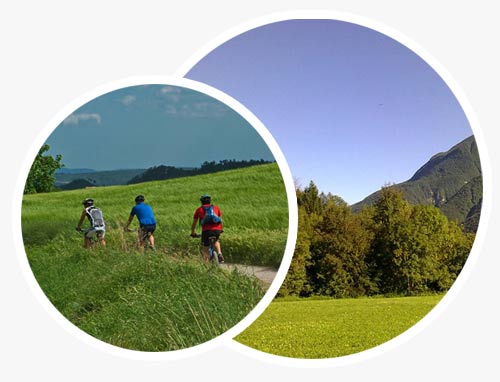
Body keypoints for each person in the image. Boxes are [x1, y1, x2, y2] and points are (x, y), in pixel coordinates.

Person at [191, 194, 224, 263]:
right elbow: (221, 220)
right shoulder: (216, 208)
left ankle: (206, 265)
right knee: (216, 241)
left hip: (206, 231)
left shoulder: (199, 210)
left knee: (205, 248)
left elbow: (194, 223)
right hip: (217, 230)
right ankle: (219, 253)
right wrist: (221, 229)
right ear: (210, 201)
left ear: (201, 201)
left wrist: (193, 232)